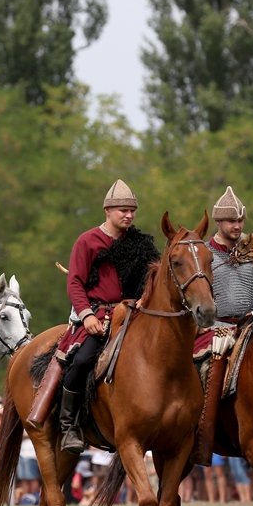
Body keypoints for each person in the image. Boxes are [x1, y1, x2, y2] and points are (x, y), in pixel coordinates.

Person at [39, 180, 157, 453]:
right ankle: (70, 426)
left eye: (131, 210)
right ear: (108, 210)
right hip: (98, 316)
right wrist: (87, 315)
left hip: (133, 314)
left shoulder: (141, 244)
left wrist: (143, 299)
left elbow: (152, 280)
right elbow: (75, 284)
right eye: (122, 210)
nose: (128, 215)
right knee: (80, 361)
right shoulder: (87, 241)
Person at [192, 186, 253, 464]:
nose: (237, 226)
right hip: (216, 328)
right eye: (232, 221)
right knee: (212, 367)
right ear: (219, 222)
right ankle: (202, 437)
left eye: (240, 221)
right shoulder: (204, 254)